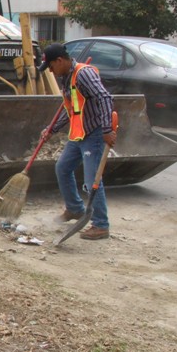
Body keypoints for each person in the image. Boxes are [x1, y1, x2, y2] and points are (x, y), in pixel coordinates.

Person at [40, 43, 117, 240]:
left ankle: (101, 225)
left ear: (60, 60)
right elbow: (72, 110)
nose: (51, 71)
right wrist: (52, 129)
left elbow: (105, 98)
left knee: (93, 181)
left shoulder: (84, 74)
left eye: (51, 66)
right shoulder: (67, 78)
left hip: (94, 134)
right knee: (63, 168)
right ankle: (75, 209)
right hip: (78, 133)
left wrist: (107, 129)